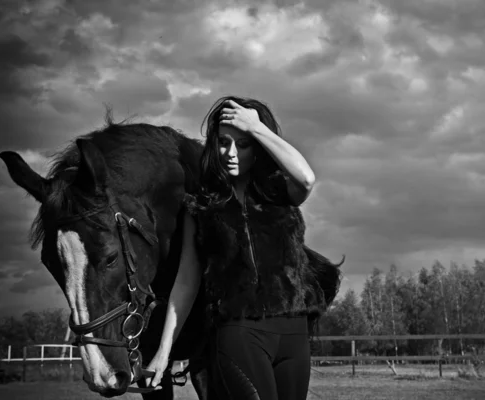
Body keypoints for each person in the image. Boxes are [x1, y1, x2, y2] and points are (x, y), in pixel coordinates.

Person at [145, 96, 342, 400]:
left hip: (293, 334)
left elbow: (307, 177)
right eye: (223, 142)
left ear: (259, 147)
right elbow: (185, 283)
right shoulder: (201, 206)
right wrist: (163, 351)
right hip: (238, 331)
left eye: (244, 143)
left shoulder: (280, 192)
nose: (231, 153)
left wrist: (256, 126)